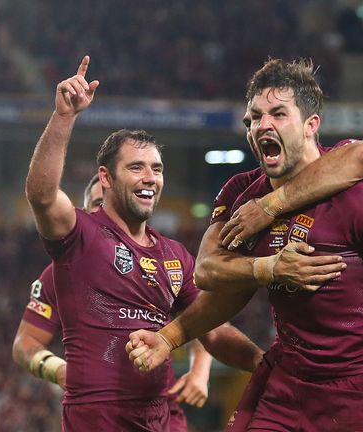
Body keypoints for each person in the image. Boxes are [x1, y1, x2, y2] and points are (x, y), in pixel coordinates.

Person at [127, 58, 363, 430]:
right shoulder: (240, 194)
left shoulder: (357, 197)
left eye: (278, 114)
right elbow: (216, 278)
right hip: (288, 383)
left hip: (362, 387)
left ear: (311, 126)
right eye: (254, 118)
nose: (263, 125)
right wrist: (170, 337)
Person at [25, 55, 263, 431]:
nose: (149, 177)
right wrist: (64, 117)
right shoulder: (80, 235)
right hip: (100, 418)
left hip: (162, 418)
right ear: (105, 177)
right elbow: (41, 195)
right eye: (136, 167)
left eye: (157, 168)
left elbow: (212, 328)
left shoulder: (175, 255)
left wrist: (263, 364)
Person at [13, 174, 213, 431]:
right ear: (85, 215)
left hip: (162, 412)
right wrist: (57, 369)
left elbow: (203, 316)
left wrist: (200, 369)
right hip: (99, 415)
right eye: (98, 204)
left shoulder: (163, 260)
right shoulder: (58, 275)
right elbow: (25, 343)